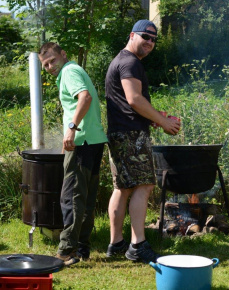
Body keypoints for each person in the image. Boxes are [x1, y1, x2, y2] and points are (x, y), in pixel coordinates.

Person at [105, 20, 181, 263]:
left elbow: (132, 104)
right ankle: (137, 245)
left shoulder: (120, 60)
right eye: (145, 36)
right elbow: (134, 99)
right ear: (132, 35)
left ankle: (116, 243)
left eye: (153, 39)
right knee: (144, 185)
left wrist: (155, 119)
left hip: (120, 133)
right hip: (131, 136)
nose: (149, 42)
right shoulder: (130, 62)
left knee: (122, 188)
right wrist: (164, 122)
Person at [38, 42, 108, 265]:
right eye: (45, 64)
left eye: (52, 60)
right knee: (85, 198)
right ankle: (82, 249)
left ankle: (67, 250)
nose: (49, 67)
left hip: (83, 140)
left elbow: (84, 98)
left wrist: (71, 128)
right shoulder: (74, 71)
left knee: (71, 197)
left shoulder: (69, 71)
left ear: (63, 55)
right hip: (93, 141)